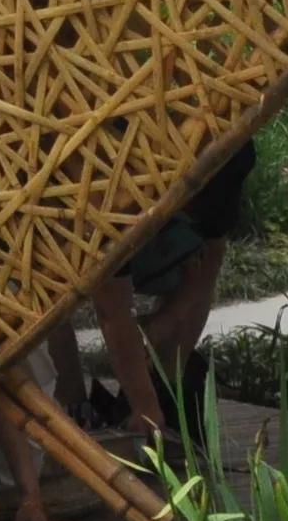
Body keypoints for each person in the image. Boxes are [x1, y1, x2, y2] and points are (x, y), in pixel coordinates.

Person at [87, 136, 253, 448]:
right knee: (56, 312)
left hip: (182, 174)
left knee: (197, 264)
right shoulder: (109, 198)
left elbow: (211, 257)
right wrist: (146, 410)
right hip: (87, 199)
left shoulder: (228, 163)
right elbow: (112, 310)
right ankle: (81, 407)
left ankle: (169, 389)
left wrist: (168, 318)